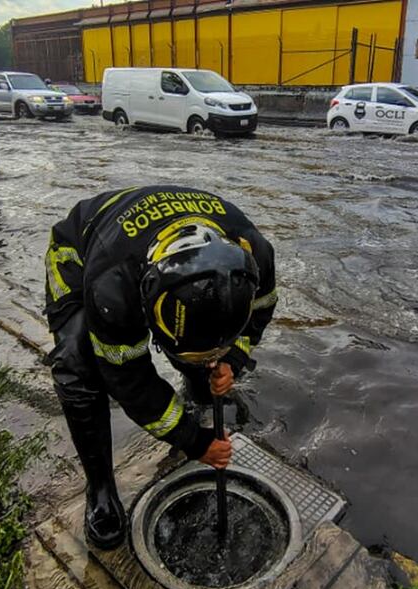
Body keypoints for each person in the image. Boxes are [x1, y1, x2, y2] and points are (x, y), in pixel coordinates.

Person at [44, 186, 278, 549]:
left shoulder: (252, 252)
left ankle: (198, 385)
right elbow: (128, 379)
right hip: (82, 253)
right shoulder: (112, 285)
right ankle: (101, 486)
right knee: (78, 365)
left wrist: (232, 360)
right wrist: (194, 440)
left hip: (147, 251)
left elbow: (260, 310)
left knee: (206, 365)